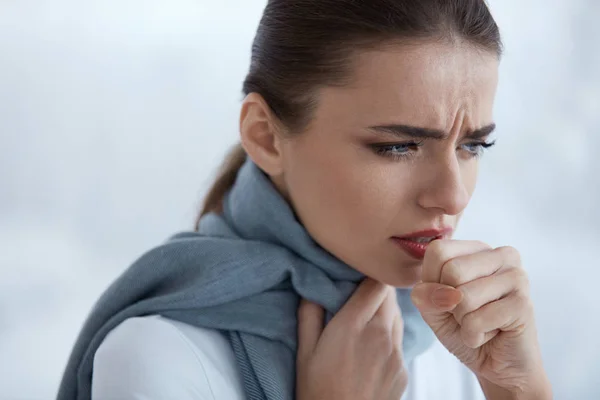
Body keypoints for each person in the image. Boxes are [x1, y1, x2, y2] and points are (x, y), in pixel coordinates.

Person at [58, 1, 553, 399]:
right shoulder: (158, 356)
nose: (453, 194)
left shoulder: (455, 337)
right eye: (396, 146)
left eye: (473, 146)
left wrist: (518, 390)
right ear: (266, 137)